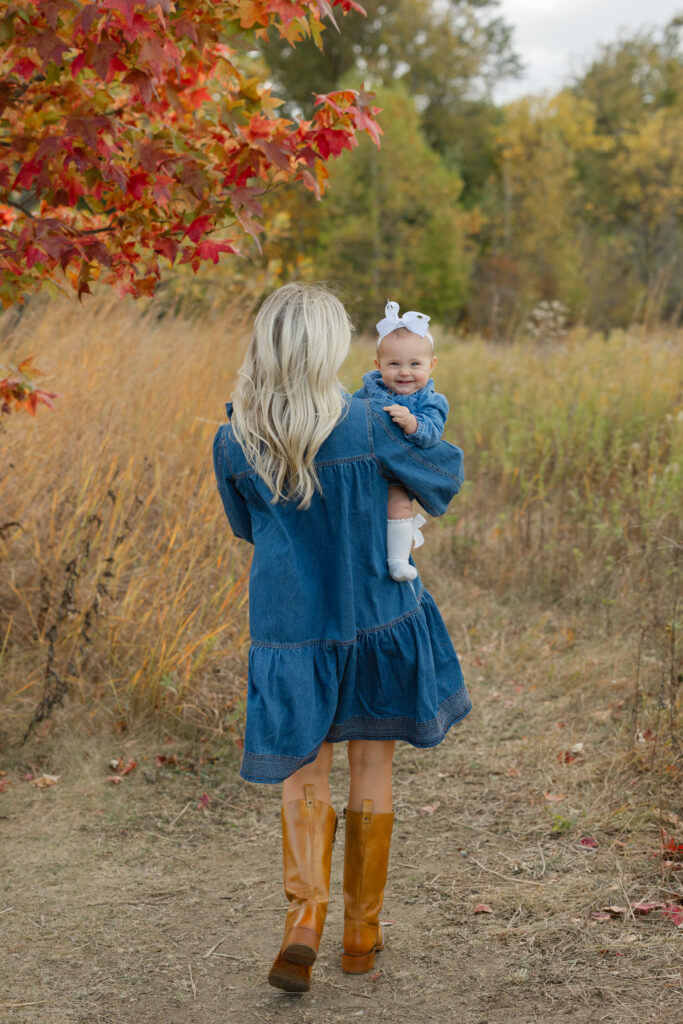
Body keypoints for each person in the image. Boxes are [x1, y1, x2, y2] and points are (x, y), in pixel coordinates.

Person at [212, 282, 471, 993]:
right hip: (375, 618)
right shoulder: (370, 421)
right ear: (328, 348)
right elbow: (442, 477)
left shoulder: (233, 439)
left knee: (304, 770)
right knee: (372, 770)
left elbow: (245, 528)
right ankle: (361, 933)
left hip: (290, 632)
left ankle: (304, 922)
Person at [355, 300, 449, 582]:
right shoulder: (369, 391)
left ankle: (397, 561)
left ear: (431, 366)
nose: (404, 372)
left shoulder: (430, 401)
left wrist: (413, 423)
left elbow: (433, 431)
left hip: (397, 471)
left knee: (398, 505)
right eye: (394, 364)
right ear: (378, 365)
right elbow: (351, 416)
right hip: (363, 465)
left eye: (415, 364)